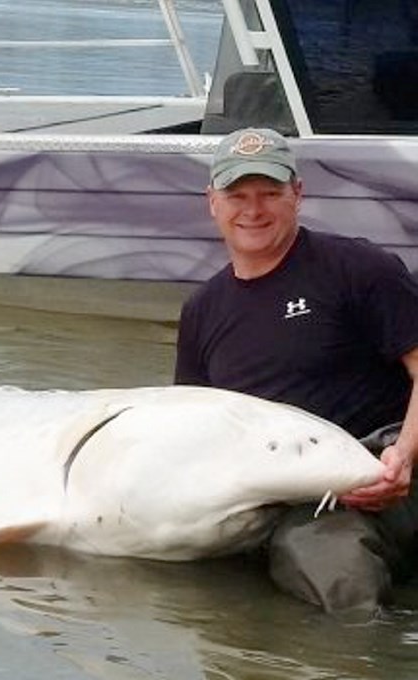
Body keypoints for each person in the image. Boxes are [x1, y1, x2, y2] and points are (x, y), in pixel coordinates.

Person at [175, 127, 418, 612]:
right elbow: (190, 424)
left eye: (270, 193)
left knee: (332, 567)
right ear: (212, 202)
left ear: (298, 194)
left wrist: (404, 457)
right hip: (268, 491)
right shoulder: (202, 310)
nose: (253, 210)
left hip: (375, 472)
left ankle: (367, 655)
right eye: (237, 195)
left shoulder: (358, 268)